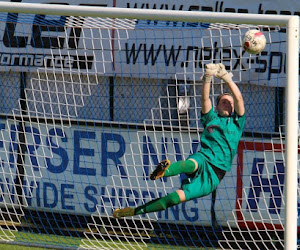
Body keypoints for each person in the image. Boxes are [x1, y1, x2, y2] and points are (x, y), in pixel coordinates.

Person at [113, 63, 245, 219]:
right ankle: (163, 171)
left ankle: (134, 211)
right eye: (224, 101)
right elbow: (205, 98)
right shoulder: (211, 118)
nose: (228, 104)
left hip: (215, 175)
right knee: (189, 164)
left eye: (230, 103)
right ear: (216, 106)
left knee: (172, 200)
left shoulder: (236, 123)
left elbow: (239, 99)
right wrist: (207, 78)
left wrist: (226, 78)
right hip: (204, 158)